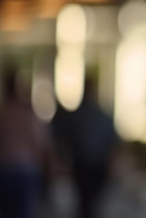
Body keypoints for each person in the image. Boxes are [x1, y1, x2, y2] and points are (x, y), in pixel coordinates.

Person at [51, 76, 120, 218]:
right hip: (86, 165)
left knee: (87, 202)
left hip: (89, 165)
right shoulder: (89, 116)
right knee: (88, 203)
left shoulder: (90, 116)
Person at [0, 65, 53, 218]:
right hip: (26, 171)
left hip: (5, 169)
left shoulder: (3, 115)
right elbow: (42, 143)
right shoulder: (28, 115)